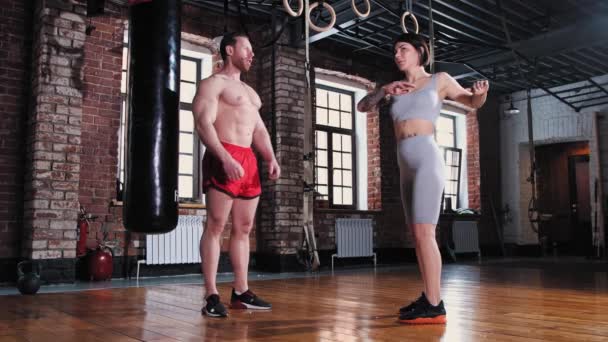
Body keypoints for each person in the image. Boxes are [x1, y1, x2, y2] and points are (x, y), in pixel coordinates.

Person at [357, 33, 489, 324]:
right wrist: (383, 90)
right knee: (417, 236)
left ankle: (434, 304)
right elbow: (363, 106)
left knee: (425, 233)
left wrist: (481, 92)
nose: (397, 55)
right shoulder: (395, 88)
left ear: (420, 52)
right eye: (394, 51)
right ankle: (429, 296)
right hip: (405, 163)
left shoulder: (438, 80)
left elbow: (471, 101)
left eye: (403, 49)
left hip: (427, 158)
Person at [192, 32, 281, 318]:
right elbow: (203, 123)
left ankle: (241, 292)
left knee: (243, 229)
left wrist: (270, 157)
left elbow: (259, 131)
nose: (252, 54)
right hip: (224, 152)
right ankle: (210, 294)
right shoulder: (212, 83)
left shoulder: (251, 94)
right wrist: (225, 157)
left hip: (248, 160)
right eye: (247, 48)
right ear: (230, 50)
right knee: (216, 225)